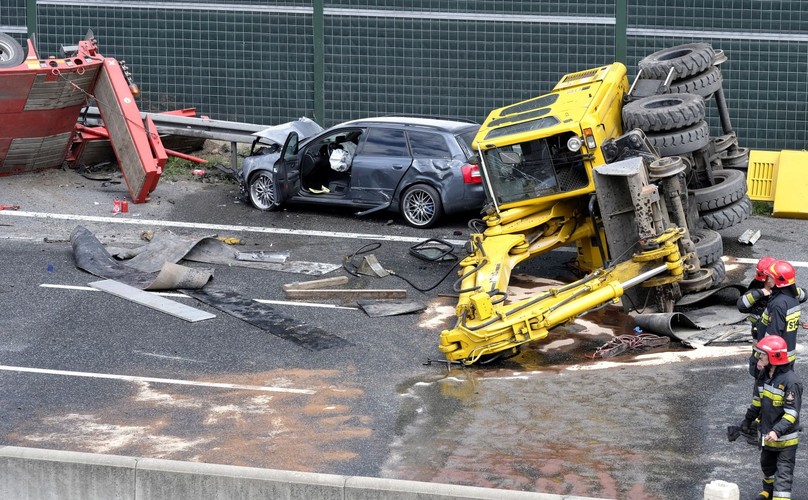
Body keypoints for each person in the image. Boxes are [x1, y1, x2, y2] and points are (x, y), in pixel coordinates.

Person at [741, 335, 802, 500]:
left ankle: (780, 497)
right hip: (767, 436)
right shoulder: (765, 375)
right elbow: (757, 402)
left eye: (763, 354)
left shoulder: (791, 382)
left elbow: (791, 414)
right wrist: (747, 421)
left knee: (783, 475)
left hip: (785, 440)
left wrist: (776, 431)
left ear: (774, 357)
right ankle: (768, 491)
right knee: (767, 466)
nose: (760, 357)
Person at [758, 260, 804, 365]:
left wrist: (764, 359)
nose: (767, 280)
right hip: (787, 356)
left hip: (774, 359)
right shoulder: (792, 298)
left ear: (779, 280)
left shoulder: (778, 304)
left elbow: (772, 336)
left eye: (770, 277)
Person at [737, 256, 777, 377]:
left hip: (776, 342)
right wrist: (761, 293)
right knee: (758, 373)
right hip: (760, 343)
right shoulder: (756, 290)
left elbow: (803, 295)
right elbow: (741, 305)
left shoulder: (781, 289)